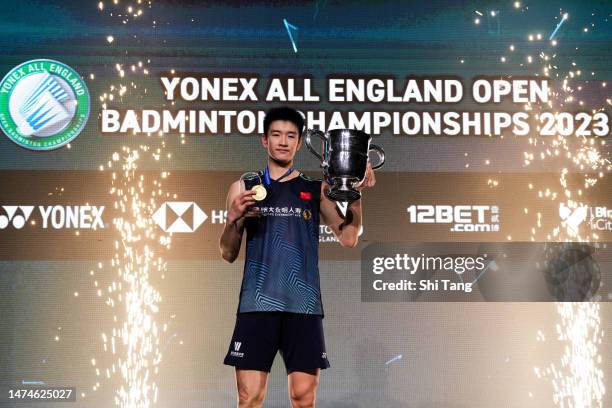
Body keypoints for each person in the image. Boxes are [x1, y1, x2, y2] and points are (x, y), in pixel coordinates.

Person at [219, 106, 376, 408]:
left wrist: (355, 192)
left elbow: (348, 237)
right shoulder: (245, 187)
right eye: (276, 134)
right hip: (258, 305)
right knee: (248, 398)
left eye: (291, 136)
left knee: (303, 399)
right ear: (264, 140)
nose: (283, 141)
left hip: (303, 306)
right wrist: (233, 220)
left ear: (300, 141)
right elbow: (227, 253)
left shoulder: (316, 189)